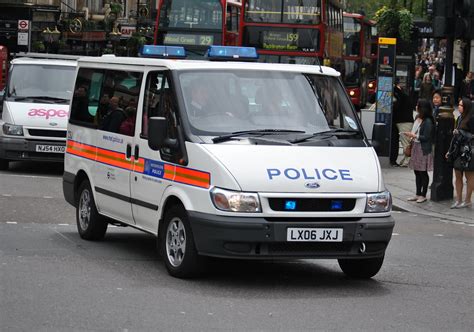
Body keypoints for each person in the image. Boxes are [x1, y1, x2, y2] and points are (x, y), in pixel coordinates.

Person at [402, 99, 435, 203]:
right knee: (417, 171)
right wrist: (411, 135)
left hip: (423, 148)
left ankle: (423, 194)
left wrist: (414, 135)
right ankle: (417, 194)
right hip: (416, 146)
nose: (416, 106)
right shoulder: (417, 117)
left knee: (422, 172)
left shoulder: (428, 121)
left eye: (418, 105)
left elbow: (426, 137)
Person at [446, 98, 474, 209]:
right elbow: (455, 138)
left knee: (469, 176)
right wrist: (449, 151)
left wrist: (461, 133)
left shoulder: (472, 119)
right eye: (459, 104)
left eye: (461, 105)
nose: (459, 107)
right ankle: (458, 200)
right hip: (458, 150)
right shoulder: (459, 118)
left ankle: (467, 200)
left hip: (469, 151)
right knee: (457, 175)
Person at [391, 83, 414, 167]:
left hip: (404, 122)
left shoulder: (403, 96)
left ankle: (407, 161)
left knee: (406, 143)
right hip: (403, 121)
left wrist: (393, 86)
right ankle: (405, 160)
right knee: (405, 142)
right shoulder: (403, 97)